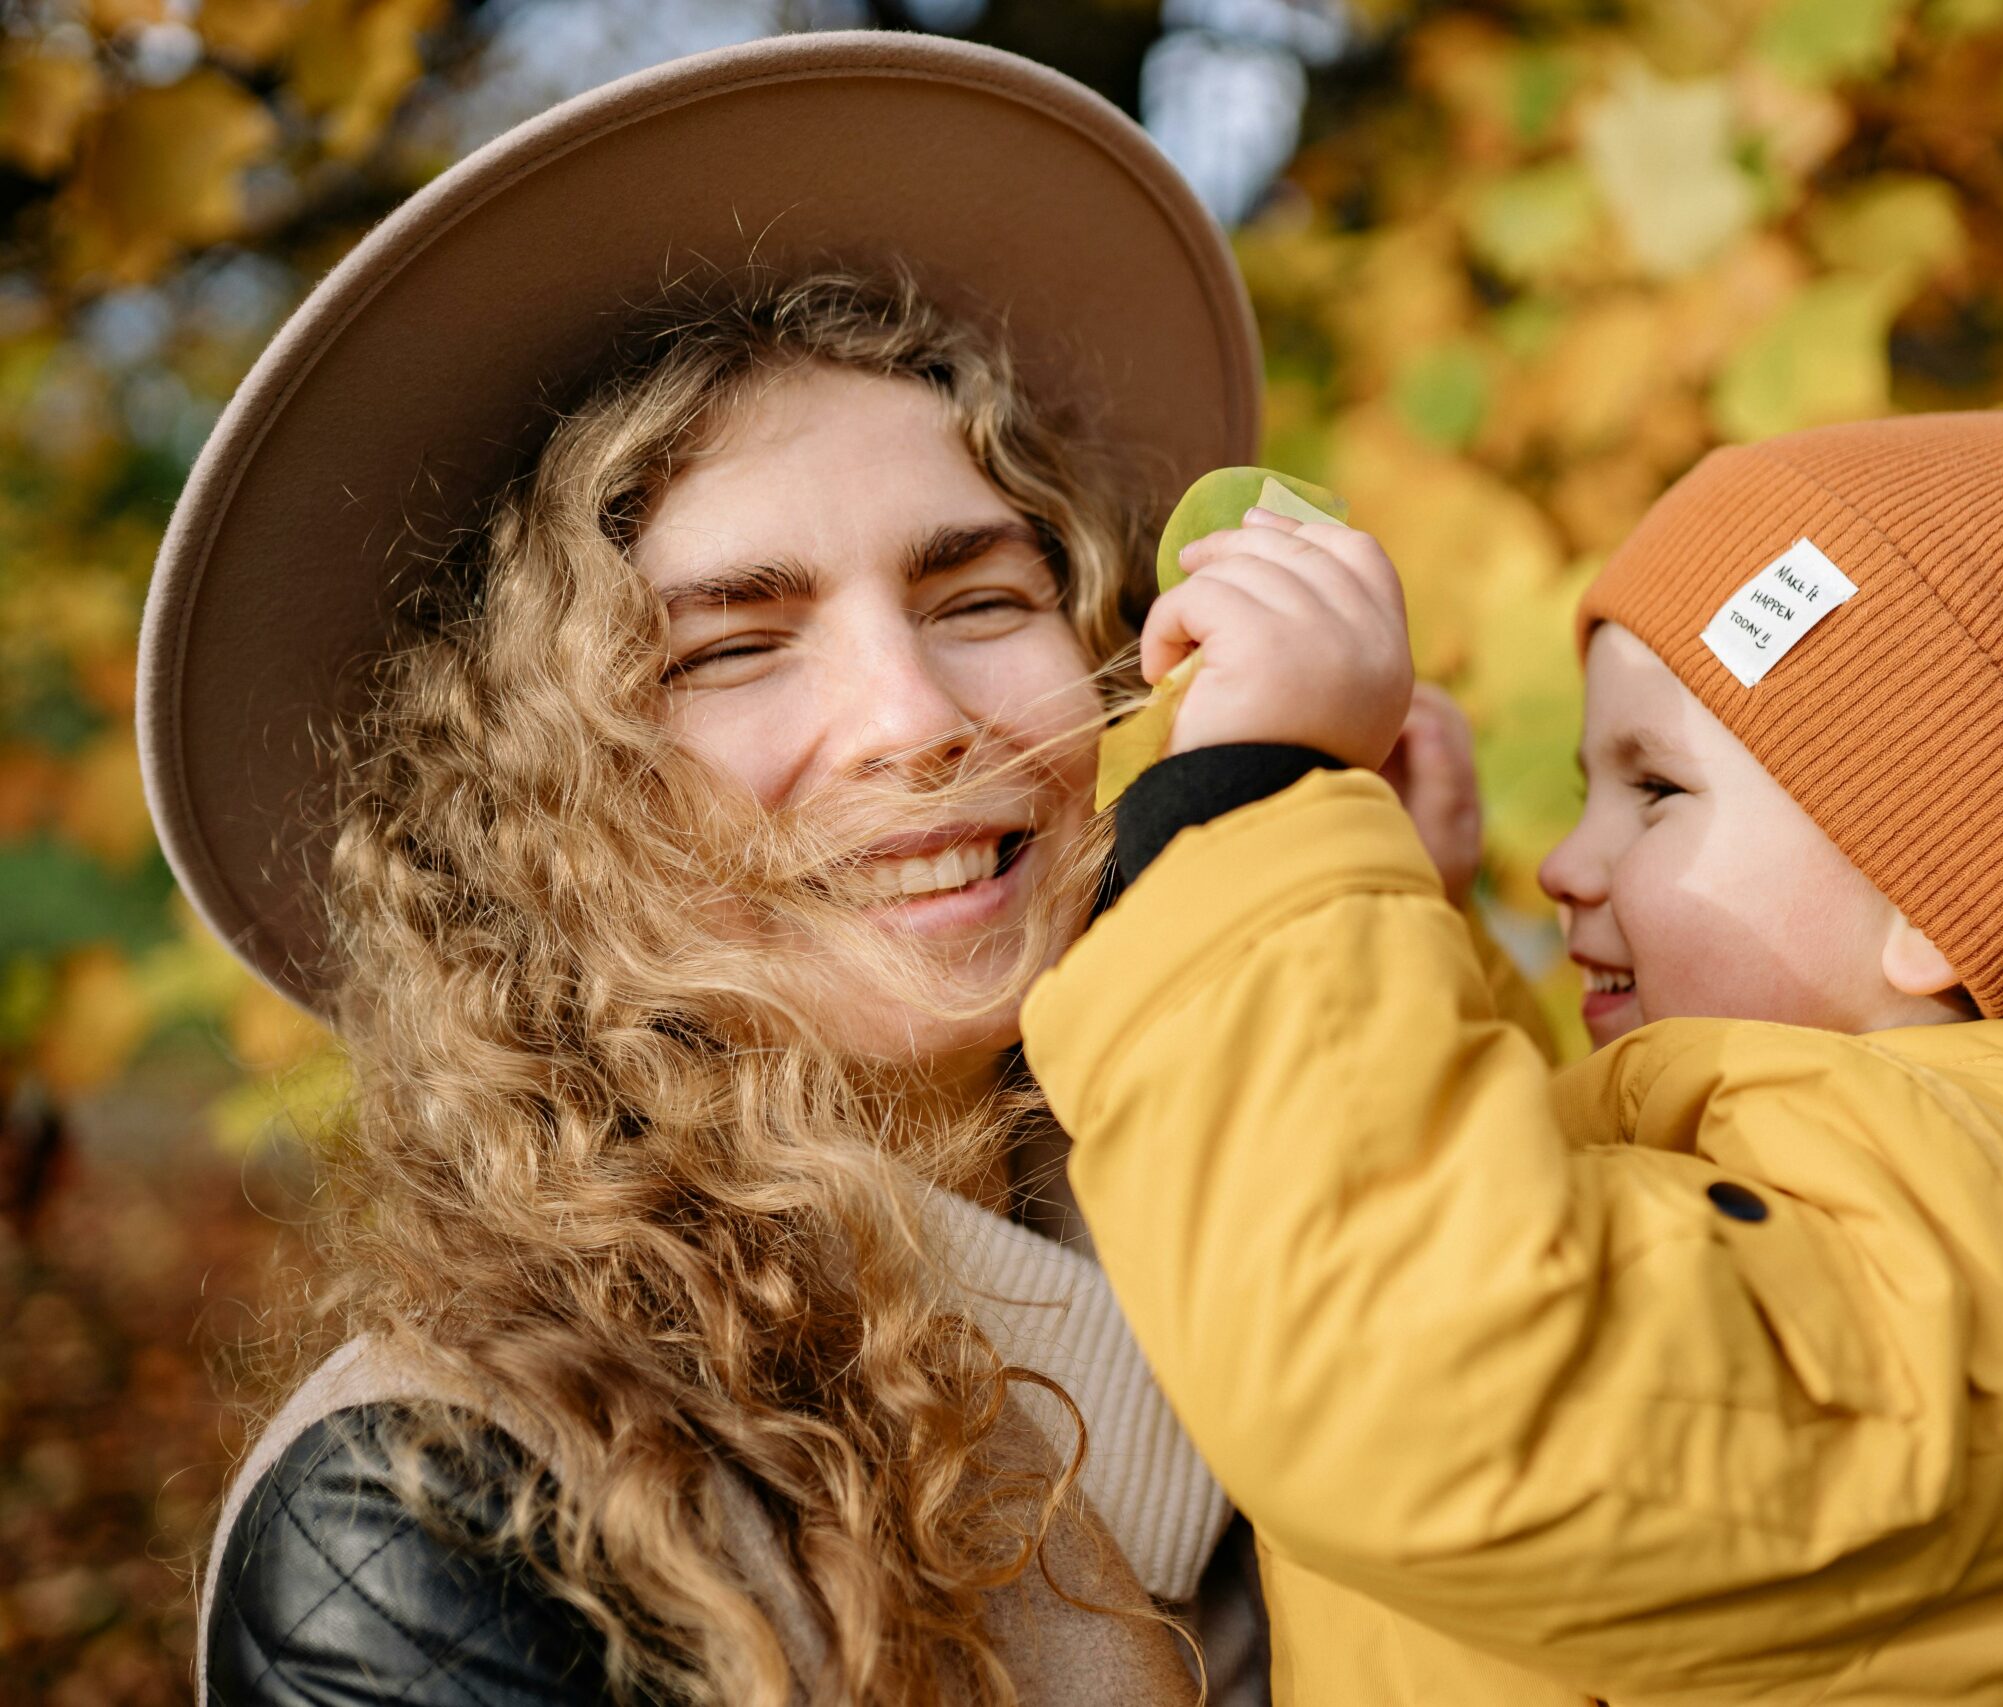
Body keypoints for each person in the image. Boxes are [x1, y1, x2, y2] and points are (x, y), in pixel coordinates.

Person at [1019, 399, 2003, 1705]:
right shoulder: (1898, 1216)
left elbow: (1451, 1368)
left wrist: (1244, 816)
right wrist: (1398, 917)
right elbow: (1574, 1224)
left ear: (1942, 906)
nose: (1567, 864)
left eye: (1656, 791)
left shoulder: (1985, 1274)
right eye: (1587, 784)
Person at [144, 32, 1318, 1707]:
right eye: (728, 650)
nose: (914, 722)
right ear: (521, 812)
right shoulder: (442, 1530)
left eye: (982, 598)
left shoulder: (1317, 1249)